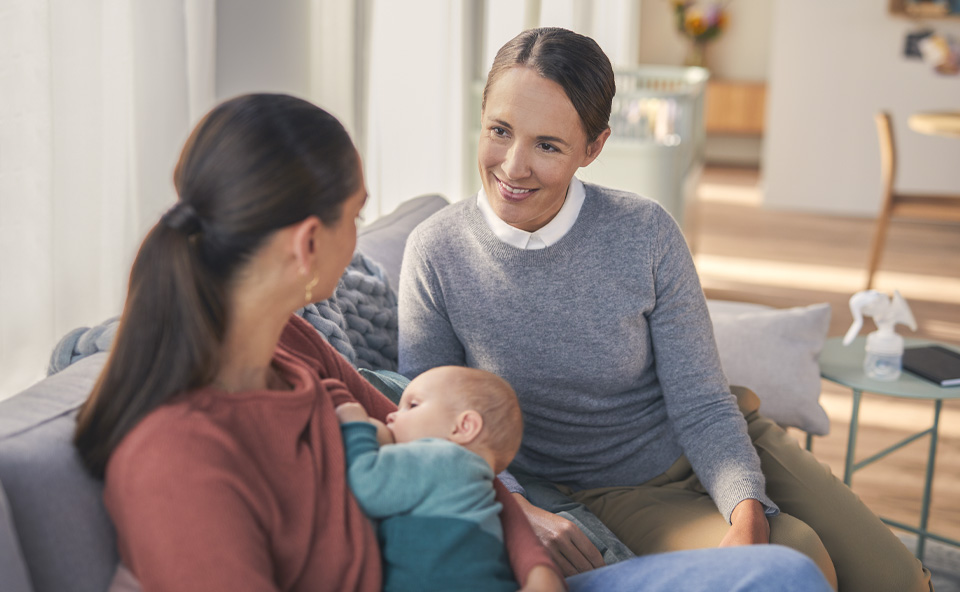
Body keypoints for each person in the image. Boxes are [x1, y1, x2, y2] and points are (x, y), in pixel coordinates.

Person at [70, 91, 830, 592]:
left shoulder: (295, 348)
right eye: (355, 216)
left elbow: (450, 460)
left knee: (781, 575)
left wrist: (531, 566)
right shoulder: (175, 460)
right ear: (308, 243)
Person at [398, 27, 932, 592]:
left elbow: (702, 400)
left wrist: (746, 511)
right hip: (604, 486)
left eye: (547, 145)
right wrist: (514, 506)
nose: (513, 165)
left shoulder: (644, 231)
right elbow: (430, 424)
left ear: (593, 148)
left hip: (714, 436)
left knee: (898, 580)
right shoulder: (437, 251)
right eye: (500, 131)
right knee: (797, 560)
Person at [334, 365, 525, 592]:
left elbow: (367, 488)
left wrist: (356, 427)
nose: (391, 414)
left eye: (412, 406)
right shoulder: (472, 477)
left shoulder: (440, 455)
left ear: (463, 427)